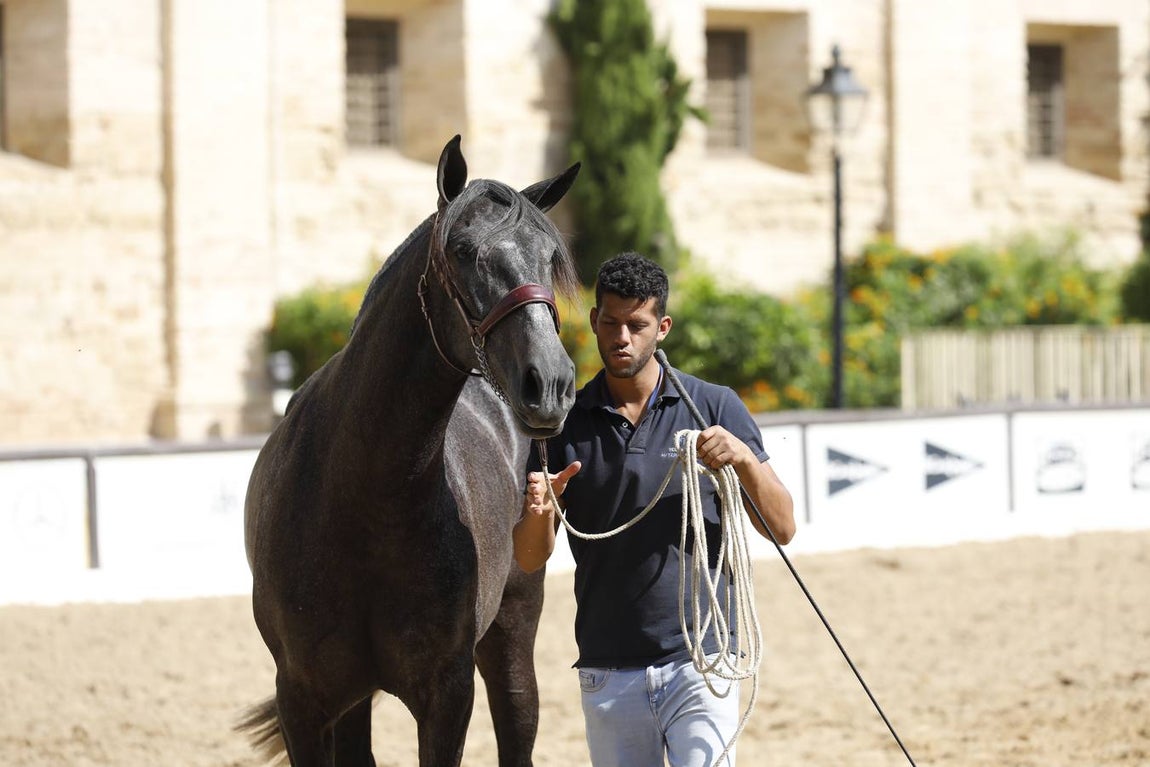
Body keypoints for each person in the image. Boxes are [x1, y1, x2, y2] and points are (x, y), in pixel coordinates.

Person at [513, 252, 796, 767]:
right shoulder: (563, 424)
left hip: (703, 659)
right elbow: (531, 559)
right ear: (595, 321)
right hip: (607, 666)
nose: (622, 337)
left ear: (661, 327)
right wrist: (539, 508)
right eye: (611, 322)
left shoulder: (712, 405)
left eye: (637, 325)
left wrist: (744, 461)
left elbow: (781, 526)